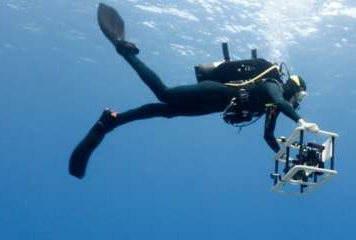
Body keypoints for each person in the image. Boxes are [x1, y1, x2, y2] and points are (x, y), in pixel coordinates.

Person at [69, 3, 320, 179]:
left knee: (167, 111)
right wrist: (302, 121)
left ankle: (112, 120)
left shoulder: (272, 109)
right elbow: (281, 101)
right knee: (165, 94)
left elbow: (267, 137)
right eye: (299, 96)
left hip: (214, 106)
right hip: (218, 92)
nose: (298, 101)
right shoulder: (274, 86)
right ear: (293, 87)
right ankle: (125, 50)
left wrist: (287, 158)